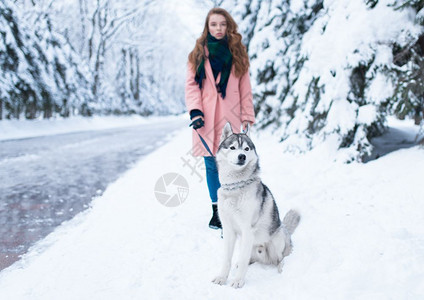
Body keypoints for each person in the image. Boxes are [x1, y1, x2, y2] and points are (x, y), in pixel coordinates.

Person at [185, 7, 255, 230]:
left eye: (222, 24)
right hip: (205, 118)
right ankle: (217, 211)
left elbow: (245, 87)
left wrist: (247, 115)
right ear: (207, 27)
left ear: (228, 26)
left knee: (233, 165)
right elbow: (191, 86)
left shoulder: (237, 53)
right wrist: (195, 111)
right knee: (211, 165)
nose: (218, 28)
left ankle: (234, 208)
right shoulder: (197, 54)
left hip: (231, 118)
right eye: (213, 24)